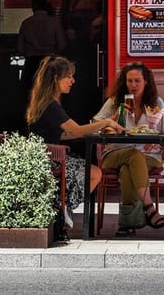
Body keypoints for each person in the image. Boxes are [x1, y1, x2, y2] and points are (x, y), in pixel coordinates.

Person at [26, 55, 124, 243]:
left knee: (89, 170)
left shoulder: (46, 102)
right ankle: (66, 206)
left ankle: (65, 206)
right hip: (50, 160)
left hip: (46, 155)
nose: (73, 81)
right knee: (94, 173)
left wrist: (95, 129)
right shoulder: (52, 106)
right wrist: (106, 122)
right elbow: (77, 130)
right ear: (56, 79)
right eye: (68, 77)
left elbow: (62, 134)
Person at [93, 62, 164, 237]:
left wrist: (158, 143)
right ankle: (150, 208)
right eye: (129, 81)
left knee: (128, 168)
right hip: (115, 153)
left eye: (137, 80)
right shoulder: (116, 102)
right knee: (132, 156)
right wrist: (113, 119)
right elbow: (94, 126)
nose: (133, 85)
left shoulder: (155, 102)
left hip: (148, 155)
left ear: (146, 82)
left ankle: (127, 224)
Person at [17, 0, 66, 99]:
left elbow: (20, 48)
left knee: (31, 96)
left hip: (31, 64)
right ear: (45, 3)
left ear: (33, 5)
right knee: (51, 94)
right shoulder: (54, 22)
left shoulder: (26, 23)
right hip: (50, 61)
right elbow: (62, 45)